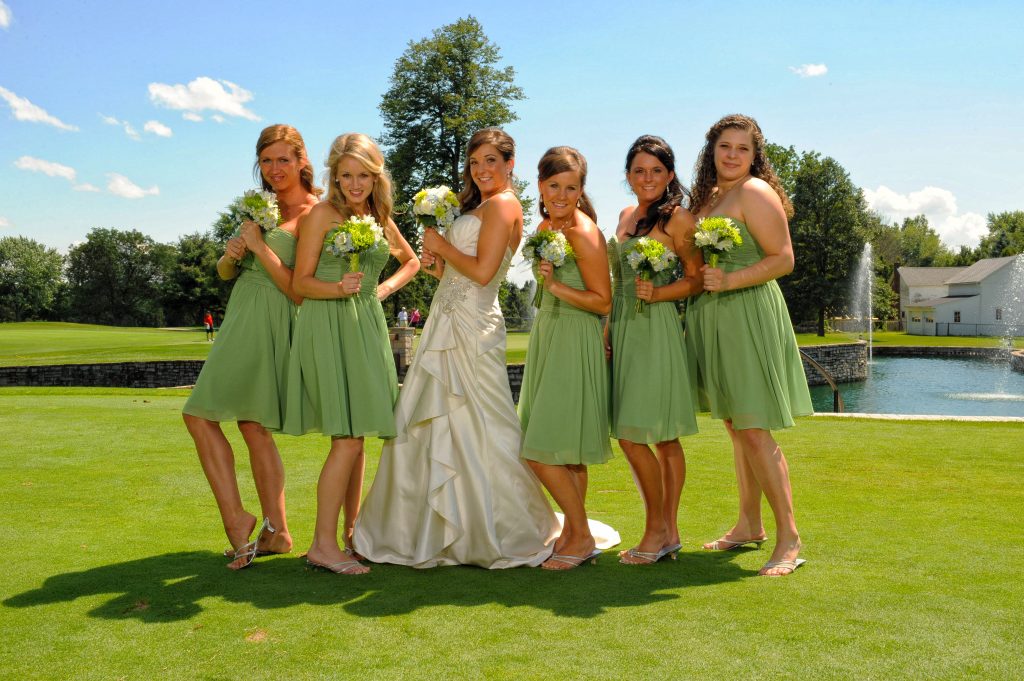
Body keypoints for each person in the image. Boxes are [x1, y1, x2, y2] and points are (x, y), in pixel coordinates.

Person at [353, 128, 559, 568]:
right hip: (446, 320)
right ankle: (427, 528)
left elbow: (485, 273)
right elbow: (462, 274)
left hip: (474, 326)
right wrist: (437, 267)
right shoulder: (481, 206)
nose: (482, 170)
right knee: (436, 421)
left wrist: (444, 246)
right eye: (475, 162)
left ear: (510, 164)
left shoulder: (504, 205)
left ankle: (498, 528)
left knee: (485, 423)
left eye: (491, 161)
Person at [182, 124, 319, 568]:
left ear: (302, 160)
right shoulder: (260, 206)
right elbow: (225, 274)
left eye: (283, 159)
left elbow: (300, 290)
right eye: (266, 161)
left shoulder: (318, 213)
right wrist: (232, 253)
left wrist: (260, 248)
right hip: (241, 312)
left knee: (199, 414)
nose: (275, 169)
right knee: (251, 425)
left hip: (273, 318)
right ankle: (277, 532)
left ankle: (238, 521)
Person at [283, 133, 418, 575]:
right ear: (334, 176)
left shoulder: (376, 215)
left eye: (363, 175)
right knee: (347, 438)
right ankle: (322, 545)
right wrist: (337, 288)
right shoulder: (322, 214)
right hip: (327, 326)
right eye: (346, 175)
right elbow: (300, 284)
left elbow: (410, 260)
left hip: (365, 326)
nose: (355, 184)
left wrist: (383, 288)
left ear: (376, 176)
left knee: (358, 436)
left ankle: (351, 533)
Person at [686, 114, 813, 576]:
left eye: (742, 148)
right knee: (737, 427)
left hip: (748, 312)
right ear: (712, 150)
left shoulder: (756, 192)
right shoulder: (710, 197)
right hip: (713, 316)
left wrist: (730, 279)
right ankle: (748, 525)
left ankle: (789, 539)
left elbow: (784, 258)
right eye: (725, 146)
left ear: (754, 154)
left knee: (755, 427)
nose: (733, 155)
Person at [608, 135, 703, 565]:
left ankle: (660, 530)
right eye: (639, 170)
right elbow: (615, 282)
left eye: (656, 170)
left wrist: (661, 294)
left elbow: (697, 279)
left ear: (669, 175)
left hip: (658, 328)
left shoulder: (679, 219)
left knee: (658, 435)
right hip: (624, 327)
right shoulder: (626, 216)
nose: (647, 178)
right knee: (630, 433)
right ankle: (667, 531)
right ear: (628, 175)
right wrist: (607, 328)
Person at [517, 146, 613, 570]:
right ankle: (574, 534)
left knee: (538, 449)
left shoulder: (584, 233)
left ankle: (582, 533)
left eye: (570, 187)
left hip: (575, 338)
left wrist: (556, 289)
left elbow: (603, 301)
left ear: (581, 190)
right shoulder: (544, 227)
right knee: (568, 452)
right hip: (549, 334)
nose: (561, 194)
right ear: (540, 185)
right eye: (554, 185)